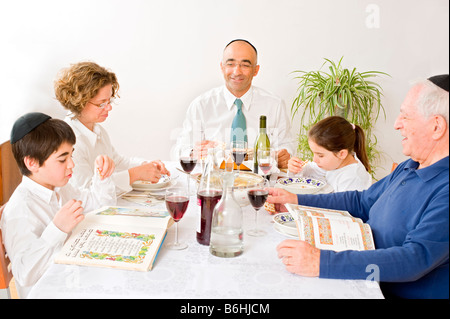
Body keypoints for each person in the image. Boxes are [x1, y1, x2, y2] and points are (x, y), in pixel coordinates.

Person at [269, 75, 449, 299]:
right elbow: (362, 201)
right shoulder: (410, 166)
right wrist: (295, 201)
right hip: (363, 278)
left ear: (436, 126)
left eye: (406, 115)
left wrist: (320, 262)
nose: (396, 124)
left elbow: (414, 259)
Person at [0, 112, 117, 298]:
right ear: (31, 163)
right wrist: (57, 229)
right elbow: (24, 274)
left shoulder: (60, 188)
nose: (72, 164)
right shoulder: (20, 210)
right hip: (54, 291)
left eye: (72, 155)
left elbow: (102, 206)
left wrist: (102, 177)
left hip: (76, 276)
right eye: (63, 159)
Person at [174, 39, 295, 168]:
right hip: (215, 182)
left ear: (256, 70)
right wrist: (193, 152)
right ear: (222, 67)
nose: (237, 72)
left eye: (245, 65)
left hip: (260, 181)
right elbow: (181, 149)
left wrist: (285, 156)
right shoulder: (201, 105)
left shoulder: (274, 105)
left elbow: (287, 145)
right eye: (230, 64)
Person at [54, 61, 170, 194]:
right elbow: (87, 190)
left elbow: (117, 162)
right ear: (79, 102)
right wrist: (135, 174)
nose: (109, 108)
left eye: (109, 101)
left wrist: (146, 165)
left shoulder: (97, 130)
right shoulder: (68, 140)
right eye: (101, 104)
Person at [287, 116, 372, 192]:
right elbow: (311, 170)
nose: (314, 159)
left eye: (320, 155)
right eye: (314, 153)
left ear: (341, 154)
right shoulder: (336, 163)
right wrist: (296, 167)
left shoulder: (353, 178)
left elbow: (346, 208)